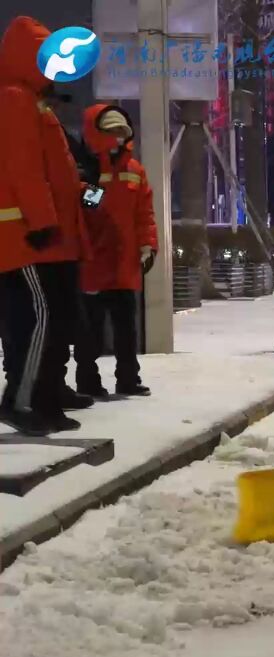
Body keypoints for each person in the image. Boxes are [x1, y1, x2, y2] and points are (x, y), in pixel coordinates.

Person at [0, 17, 89, 436]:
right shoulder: (15, 99)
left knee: (45, 319)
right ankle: (21, 402)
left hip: (39, 233)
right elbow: (24, 169)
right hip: (23, 236)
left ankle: (44, 398)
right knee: (37, 319)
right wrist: (41, 222)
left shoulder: (30, 99)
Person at [74, 105, 157, 398]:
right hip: (94, 260)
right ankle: (87, 380)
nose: (118, 138)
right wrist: (92, 186)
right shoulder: (83, 171)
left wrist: (148, 245)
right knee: (90, 330)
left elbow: (144, 213)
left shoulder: (135, 171)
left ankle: (128, 378)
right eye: (111, 132)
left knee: (126, 328)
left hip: (124, 261)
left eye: (122, 132)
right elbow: (85, 212)